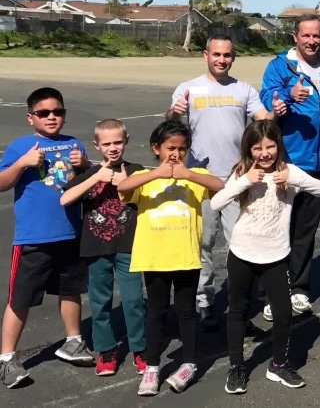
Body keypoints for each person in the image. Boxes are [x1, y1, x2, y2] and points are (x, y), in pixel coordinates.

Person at [210, 120, 320, 394]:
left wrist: (293, 179)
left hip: (276, 254)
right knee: (237, 310)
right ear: (248, 150)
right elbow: (216, 202)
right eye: (258, 148)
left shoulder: (289, 172)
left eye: (271, 146)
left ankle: (278, 364)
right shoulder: (241, 172)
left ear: (279, 147)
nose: (265, 153)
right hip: (242, 252)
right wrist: (244, 182)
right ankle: (237, 367)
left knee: (283, 312)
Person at [166, 34, 270, 330]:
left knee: (241, 243)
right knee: (203, 243)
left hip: (238, 179)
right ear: (206, 55)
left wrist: (277, 111)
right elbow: (170, 121)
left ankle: (241, 307)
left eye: (227, 55)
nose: (222, 60)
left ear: (233, 57)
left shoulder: (243, 89)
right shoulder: (188, 88)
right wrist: (175, 112)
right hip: (201, 180)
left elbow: (263, 118)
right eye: (217, 54)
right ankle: (203, 302)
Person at [117, 121, 225, 396]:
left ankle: (189, 363)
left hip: (185, 257)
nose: (175, 154)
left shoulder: (194, 175)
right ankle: (152, 367)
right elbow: (125, 188)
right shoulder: (145, 177)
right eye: (169, 148)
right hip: (154, 258)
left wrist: (187, 174)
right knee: (157, 312)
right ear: (156, 148)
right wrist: (157, 174)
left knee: (187, 312)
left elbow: (219, 186)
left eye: (181, 149)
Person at [0, 87, 94, 388]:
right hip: (33, 237)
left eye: (58, 111)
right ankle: (6, 359)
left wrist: (83, 166)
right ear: (31, 118)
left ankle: (73, 341)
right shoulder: (21, 147)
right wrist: (22, 164)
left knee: (71, 290)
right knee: (21, 298)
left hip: (70, 233)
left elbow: (88, 183)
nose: (52, 117)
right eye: (44, 113)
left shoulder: (74, 144)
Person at [259, 13, 320, 317]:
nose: (311, 40)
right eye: (305, 35)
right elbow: (267, 96)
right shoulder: (280, 65)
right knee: (278, 228)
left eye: (316, 35)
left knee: (305, 230)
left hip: (319, 164)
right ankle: (273, 292)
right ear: (295, 37)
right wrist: (287, 96)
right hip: (287, 161)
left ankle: (300, 289)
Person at [59, 119, 147, 377]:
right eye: (106, 143)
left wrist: (124, 181)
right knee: (100, 301)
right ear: (96, 145)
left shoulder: (137, 170)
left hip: (128, 246)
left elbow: (146, 194)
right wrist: (97, 175)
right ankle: (106, 350)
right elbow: (65, 198)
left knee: (133, 300)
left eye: (118, 142)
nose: (113, 148)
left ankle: (140, 348)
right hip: (96, 247)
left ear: (127, 140)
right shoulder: (89, 174)